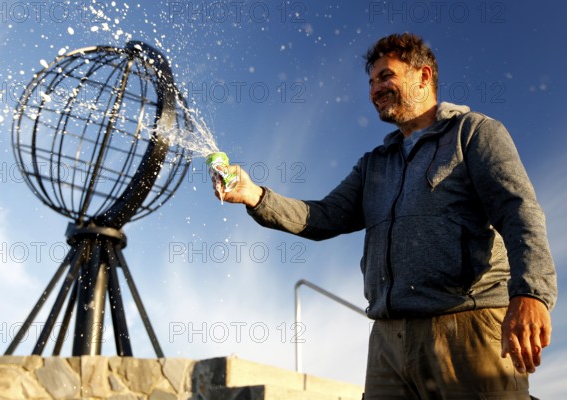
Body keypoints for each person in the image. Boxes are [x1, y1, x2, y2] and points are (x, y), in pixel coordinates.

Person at [211, 32, 557, 399]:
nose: (375, 89)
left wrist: (532, 294)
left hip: (467, 328)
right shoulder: (374, 164)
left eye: (386, 76)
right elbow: (323, 216)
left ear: (423, 76)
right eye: (372, 82)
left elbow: (518, 210)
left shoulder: (473, 134)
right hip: (388, 342)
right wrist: (255, 195)